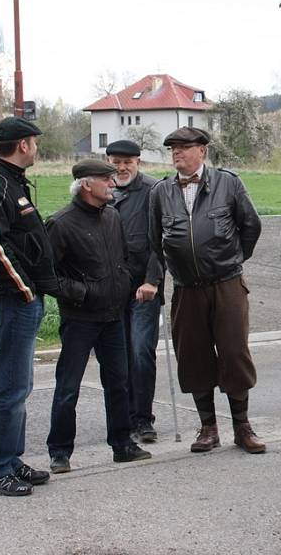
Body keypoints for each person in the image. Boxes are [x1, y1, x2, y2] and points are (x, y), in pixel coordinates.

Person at [148, 127, 265, 454]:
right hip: (187, 288)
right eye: (173, 149)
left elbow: (251, 225)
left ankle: (242, 427)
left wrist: (234, 258)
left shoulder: (229, 183)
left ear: (203, 151)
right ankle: (208, 428)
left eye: (184, 148)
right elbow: (152, 241)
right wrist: (160, 276)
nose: (177, 154)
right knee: (194, 356)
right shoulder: (161, 192)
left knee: (233, 353)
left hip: (226, 283)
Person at [0, 117, 59, 496]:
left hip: (20, 297)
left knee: (19, 385)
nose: (36, 148)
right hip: (9, 299)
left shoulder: (11, 179)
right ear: (23, 144)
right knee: (8, 386)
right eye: (34, 142)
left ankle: (8, 458)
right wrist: (25, 290)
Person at [46, 159, 151, 473]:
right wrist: (84, 293)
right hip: (80, 319)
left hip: (113, 316)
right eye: (106, 179)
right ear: (86, 185)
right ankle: (60, 452)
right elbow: (48, 276)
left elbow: (122, 259)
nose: (113, 183)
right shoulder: (61, 223)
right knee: (68, 386)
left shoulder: (112, 217)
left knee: (118, 383)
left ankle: (122, 445)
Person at [107, 139, 164, 443]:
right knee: (119, 354)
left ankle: (143, 418)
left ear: (138, 162)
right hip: (112, 289)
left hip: (144, 287)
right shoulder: (101, 189)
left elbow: (161, 240)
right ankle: (123, 417)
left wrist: (153, 281)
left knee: (141, 350)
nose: (122, 167)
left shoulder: (153, 191)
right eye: (116, 162)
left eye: (127, 162)